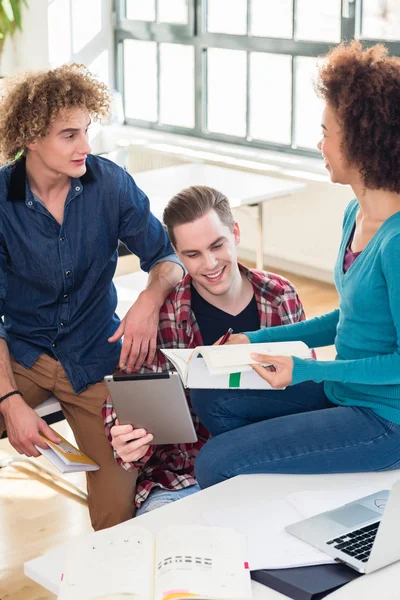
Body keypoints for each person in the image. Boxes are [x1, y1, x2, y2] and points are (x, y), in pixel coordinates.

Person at [190, 40, 400, 490]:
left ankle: (274, 465)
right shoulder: (355, 214)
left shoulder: (396, 242)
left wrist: (305, 370)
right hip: (343, 392)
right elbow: (352, 320)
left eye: (326, 131)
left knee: (213, 464)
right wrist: (256, 339)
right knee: (211, 391)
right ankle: (287, 470)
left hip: (386, 420)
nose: (319, 143)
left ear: (363, 140)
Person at [0, 64, 184, 530]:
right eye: (69, 135)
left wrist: (148, 296)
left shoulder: (111, 183)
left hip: (95, 355)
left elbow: (167, 256)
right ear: (32, 137)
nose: (85, 146)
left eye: (86, 131)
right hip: (21, 354)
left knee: (120, 508)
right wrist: (9, 401)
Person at [104, 185, 307, 515]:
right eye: (193, 254)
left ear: (236, 232)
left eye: (217, 245)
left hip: (269, 466)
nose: (210, 264)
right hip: (184, 480)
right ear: (176, 252)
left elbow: (304, 394)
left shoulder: (281, 297)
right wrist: (124, 439)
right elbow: (125, 399)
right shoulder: (163, 313)